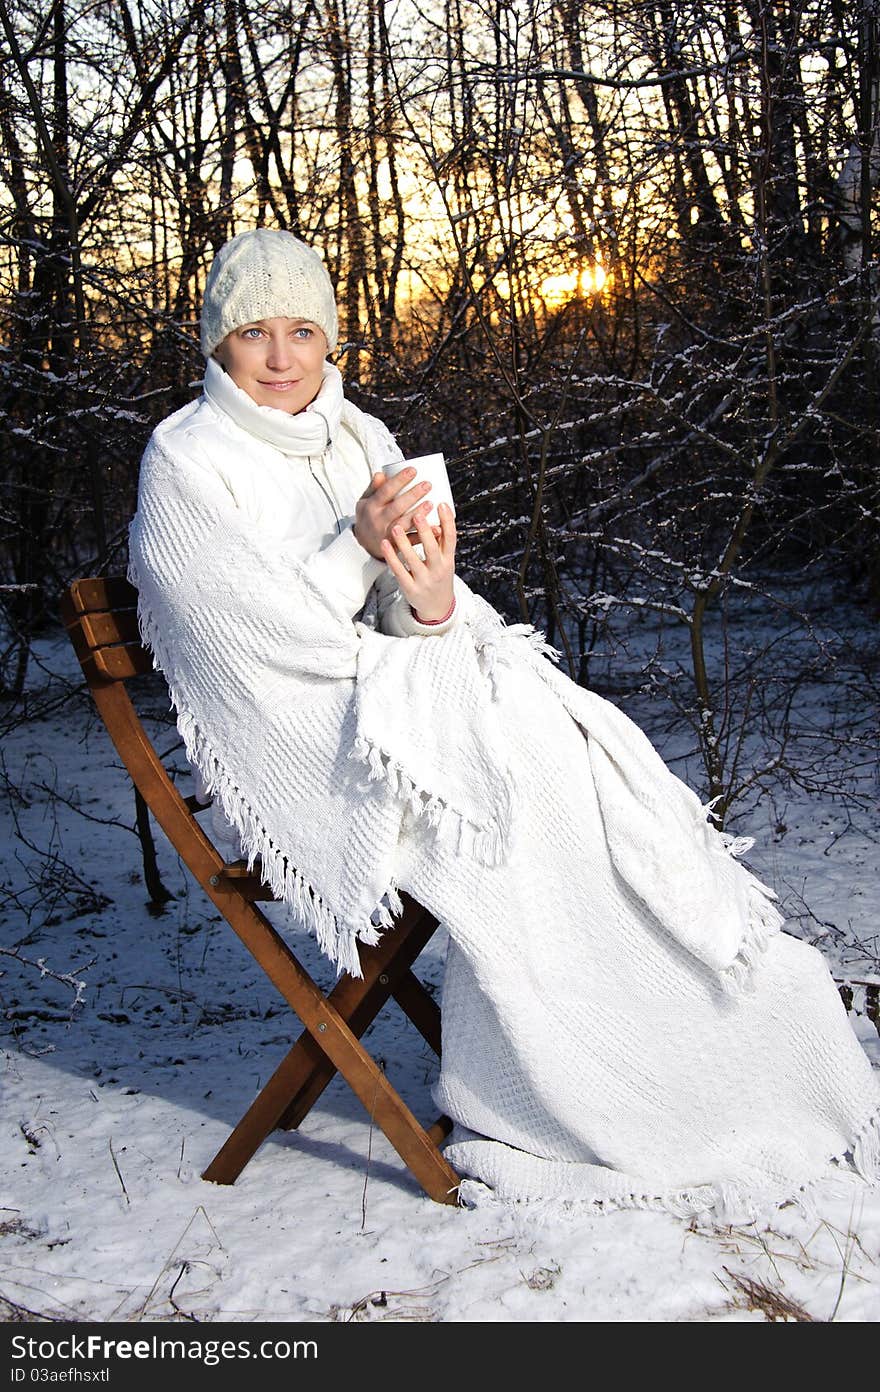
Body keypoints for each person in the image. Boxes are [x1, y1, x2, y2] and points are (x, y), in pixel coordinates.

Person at [129, 228, 880, 1222]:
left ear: (330, 340)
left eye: (302, 331)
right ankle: (574, 1086)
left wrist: (430, 600)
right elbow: (265, 647)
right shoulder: (185, 461)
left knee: (564, 752)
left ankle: (708, 1034)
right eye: (255, 333)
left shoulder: (359, 436)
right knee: (511, 784)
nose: (280, 359)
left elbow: (413, 602)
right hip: (316, 745)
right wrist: (360, 553)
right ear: (218, 345)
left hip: (399, 696)